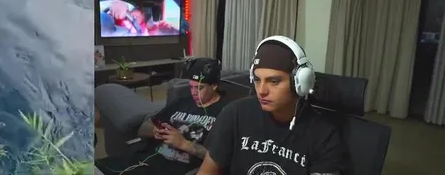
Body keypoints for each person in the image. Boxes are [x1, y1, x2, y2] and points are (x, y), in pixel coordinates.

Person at [197, 36, 347, 175]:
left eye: (274, 81)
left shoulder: (323, 134)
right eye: (257, 80)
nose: (261, 91)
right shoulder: (235, 114)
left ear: (300, 83)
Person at [98, 58, 228, 175]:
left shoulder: (226, 112)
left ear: (214, 85)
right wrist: (154, 130)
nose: (194, 93)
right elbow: (143, 128)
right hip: (142, 158)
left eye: (200, 88)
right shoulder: (181, 102)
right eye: (191, 87)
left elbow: (223, 158)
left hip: (172, 168)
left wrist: (184, 144)